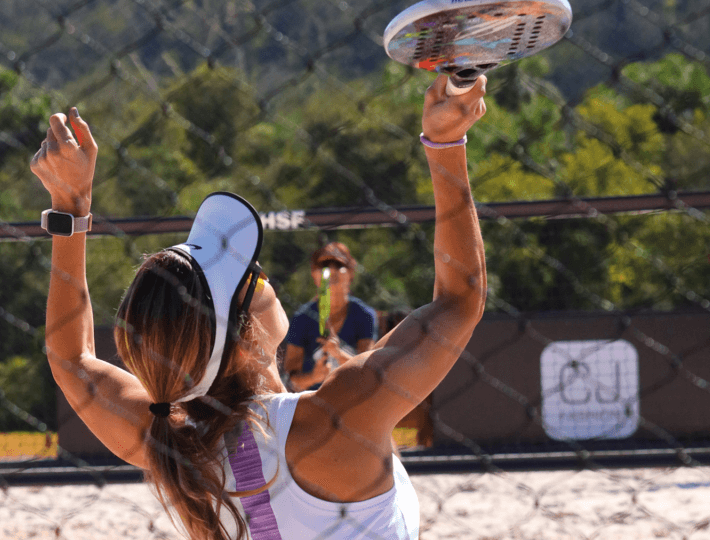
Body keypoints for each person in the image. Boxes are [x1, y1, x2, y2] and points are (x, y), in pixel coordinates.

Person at [30, 73, 487, 540]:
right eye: (252, 274)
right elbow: (461, 298)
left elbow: (71, 359)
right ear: (246, 336)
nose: (262, 271)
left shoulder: (171, 445)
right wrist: (446, 144)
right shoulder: (340, 414)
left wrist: (70, 206)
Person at [283, 242, 377, 391]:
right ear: (314, 274)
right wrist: (314, 377)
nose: (331, 270)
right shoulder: (301, 318)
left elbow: (367, 371)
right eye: (324, 265)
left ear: (351, 273)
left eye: (339, 265)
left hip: (352, 400)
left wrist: (338, 354)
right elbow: (290, 382)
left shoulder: (363, 315)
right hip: (311, 402)